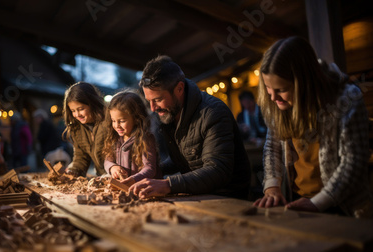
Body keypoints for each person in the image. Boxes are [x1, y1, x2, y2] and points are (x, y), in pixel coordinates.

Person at [253, 36, 373, 218]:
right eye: (268, 88)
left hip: (345, 207)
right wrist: (272, 186)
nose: (273, 98)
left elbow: (353, 161)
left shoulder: (347, 99)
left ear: (304, 83)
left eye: (281, 89)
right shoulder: (278, 105)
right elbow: (272, 147)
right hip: (299, 200)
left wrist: (317, 203)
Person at [130, 55, 251, 199]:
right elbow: (183, 158)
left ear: (179, 88)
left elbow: (218, 170)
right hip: (199, 193)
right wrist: (151, 170)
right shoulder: (169, 112)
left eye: (158, 99)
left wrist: (168, 185)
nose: (153, 108)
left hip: (228, 196)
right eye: (149, 100)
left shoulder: (213, 112)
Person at [103, 91, 162, 186]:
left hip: (146, 187)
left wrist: (134, 179)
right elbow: (107, 160)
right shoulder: (114, 138)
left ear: (136, 118)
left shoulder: (145, 139)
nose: (117, 125)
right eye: (113, 121)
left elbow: (150, 169)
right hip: (124, 187)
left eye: (122, 121)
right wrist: (112, 167)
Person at [62, 82, 108, 176]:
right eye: (73, 111)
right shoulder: (77, 127)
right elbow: (81, 156)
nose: (77, 115)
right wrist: (73, 170)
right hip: (102, 178)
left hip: (118, 177)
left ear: (92, 103)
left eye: (81, 109)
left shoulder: (109, 121)